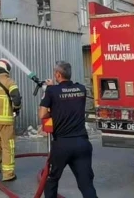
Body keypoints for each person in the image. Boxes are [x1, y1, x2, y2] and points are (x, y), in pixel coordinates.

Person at [39, 61, 98, 198]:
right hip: (82, 144)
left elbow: (42, 114)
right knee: (86, 184)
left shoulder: (51, 91)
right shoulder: (81, 89)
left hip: (62, 145)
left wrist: (48, 90)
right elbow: (67, 99)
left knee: (52, 179)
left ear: (58, 74)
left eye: (55, 73)